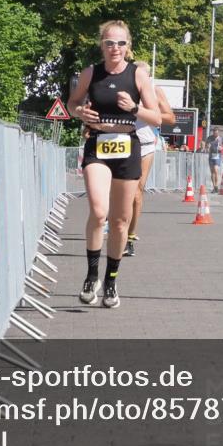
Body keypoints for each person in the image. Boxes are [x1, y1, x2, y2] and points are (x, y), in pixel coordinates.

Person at [67, 21, 161, 309]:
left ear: (128, 46)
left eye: (120, 43)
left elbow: (156, 118)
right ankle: (91, 275)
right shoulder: (91, 73)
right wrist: (79, 111)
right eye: (109, 43)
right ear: (102, 45)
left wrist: (133, 108)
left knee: (120, 222)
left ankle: (111, 280)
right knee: (98, 212)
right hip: (98, 144)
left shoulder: (138, 75)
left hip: (127, 149)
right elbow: (72, 104)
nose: (115, 48)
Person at [124, 61, 176, 257]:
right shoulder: (124, 88)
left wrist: (145, 110)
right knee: (120, 191)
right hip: (122, 143)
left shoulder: (155, 91)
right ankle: (115, 223)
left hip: (145, 146)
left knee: (137, 191)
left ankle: (130, 237)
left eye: (145, 77)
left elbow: (171, 118)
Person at [207, 127, 223, 193]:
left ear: (218, 132)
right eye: (214, 132)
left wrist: (221, 148)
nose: (215, 134)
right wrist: (207, 146)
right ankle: (214, 187)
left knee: (216, 170)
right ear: (213, 132)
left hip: (217, 156)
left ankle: (216, 185)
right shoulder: (209, 138)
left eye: (217, 132)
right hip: (211, 156)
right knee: (212, 173)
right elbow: (206, 145)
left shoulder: (221, 139)